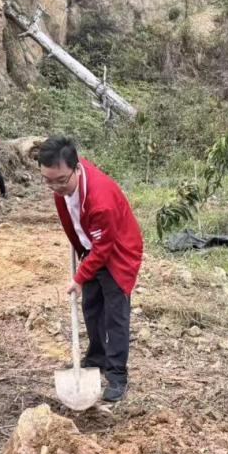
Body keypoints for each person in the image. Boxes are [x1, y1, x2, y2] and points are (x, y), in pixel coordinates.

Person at [38, 137, 144, 402]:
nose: (55, 187)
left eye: (61, 180)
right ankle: (96, 359)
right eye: (48, 180)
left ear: (76, 168)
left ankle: (117, 375)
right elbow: (77, 224)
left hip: (117, 254)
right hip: (92, 250)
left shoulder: (101, 199)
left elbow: (105, 247)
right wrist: (82, 251)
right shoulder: (62, 187)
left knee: (115, 315)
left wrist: (80, 277)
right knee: (92, 308)